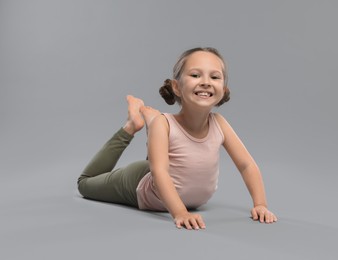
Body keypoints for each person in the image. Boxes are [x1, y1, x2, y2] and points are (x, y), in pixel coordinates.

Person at [77, 47, 277, 230]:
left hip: (169, 172)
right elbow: (159, 172)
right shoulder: (164, 125)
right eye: (195, 75)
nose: (206, 81)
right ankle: (132, 125)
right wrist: (180, 212)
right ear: (177, 87)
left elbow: (246, 165)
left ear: (223, 90)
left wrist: (260, 204)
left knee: (160, 139)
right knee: (85, 184)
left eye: (215, 77)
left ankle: (152, 126)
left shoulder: (220, 123)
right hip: (141, 183)